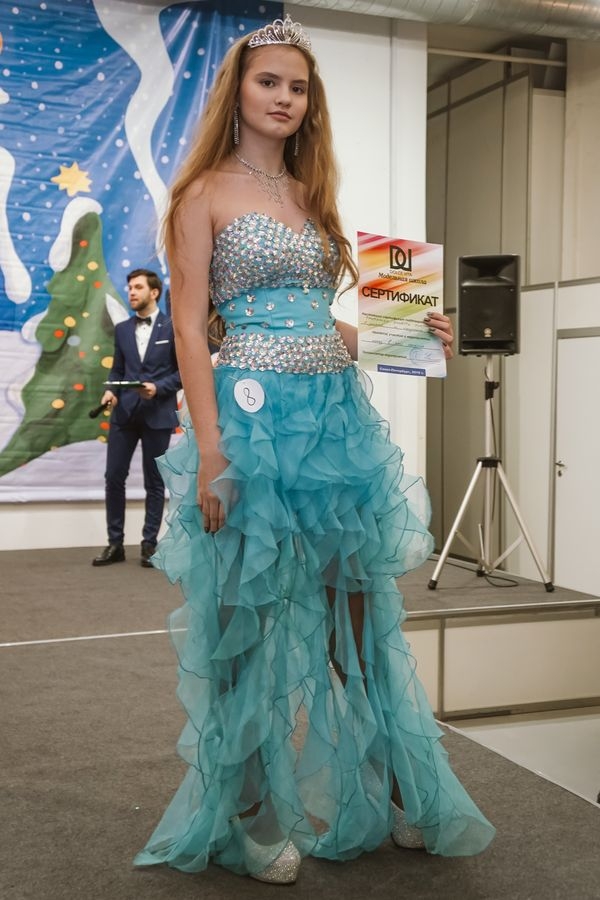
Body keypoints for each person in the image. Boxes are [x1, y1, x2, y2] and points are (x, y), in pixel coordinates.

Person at [134, 15, 495, 883]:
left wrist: (410, 337)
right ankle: (249, 816)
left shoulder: (312, 195)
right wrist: (211, 450)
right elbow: (190, 329)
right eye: (270, 82)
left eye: (298, 87)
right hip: (250, 423)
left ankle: (401, 789)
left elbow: (319, 326)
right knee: (248, 620)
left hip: (331, 421)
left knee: (357, 617)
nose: (285, 98)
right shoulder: (201, 194)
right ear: (238, 91)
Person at [92, 268, 181, 568]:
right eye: (130, 287)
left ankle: (149, 544)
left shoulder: (172, 327)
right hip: (124, 414)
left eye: (138, 287)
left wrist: (158, 388)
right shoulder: (122, 329)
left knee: (154, 482)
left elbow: (182, 372)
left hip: (158, 414)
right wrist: (110, 390)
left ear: (154, 292)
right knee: (113, 477)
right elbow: (117, 369)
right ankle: (115, 544)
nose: (131, 292)